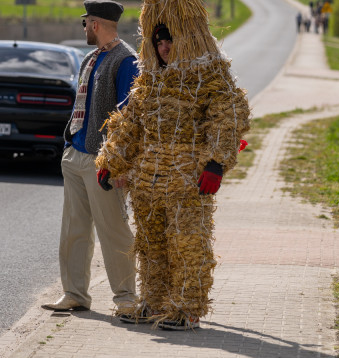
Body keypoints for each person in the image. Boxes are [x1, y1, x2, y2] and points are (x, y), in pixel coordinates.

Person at [96, 22, 250, 330]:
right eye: (159, 43)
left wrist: (216, 164)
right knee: (151, 245)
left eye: (170, 41)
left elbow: (228, 118)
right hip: (147, 179)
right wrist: (111, 161)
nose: (164, 48)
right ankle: (154, 303)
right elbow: (131, 124)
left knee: (187, 245)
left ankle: (186, 308)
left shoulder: (208, 78)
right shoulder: (149, 81)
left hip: (187, 179)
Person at [43, 0, 139, 313]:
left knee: (114, 232)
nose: (84, 28)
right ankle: (75, 294)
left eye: (85, 23)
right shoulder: (90, 57)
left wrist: (118, 163)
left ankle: (126, 298)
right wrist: (69, 146)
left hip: (104, 162)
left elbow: (128, 117)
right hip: (75, 155)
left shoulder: (126, 60)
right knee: (74, 231)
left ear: (95, 24)